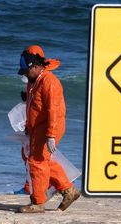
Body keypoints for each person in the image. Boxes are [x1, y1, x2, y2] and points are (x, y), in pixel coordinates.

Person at [17, 45, 80, 213]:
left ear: (36, 67)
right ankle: (68, 190)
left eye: (26, 71)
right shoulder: (34, 81)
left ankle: (38, 203)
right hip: (38, 127)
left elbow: (55, 110)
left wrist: (51, 135)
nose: (24, 74)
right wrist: (27, 127)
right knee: (43, 161)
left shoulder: (50, 82)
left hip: (49, 128)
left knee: (36, 162)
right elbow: (33, 107)